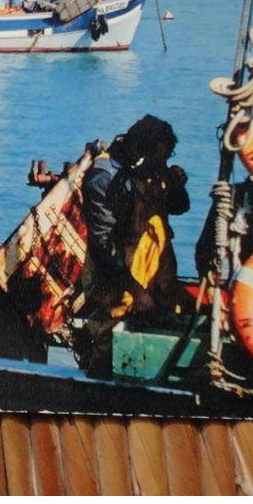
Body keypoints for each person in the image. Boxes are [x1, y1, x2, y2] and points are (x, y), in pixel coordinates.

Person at [72, 114, 191, 377]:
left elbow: (180, 206)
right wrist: (135, 290)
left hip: (155, 275)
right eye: (160, 157)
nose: (163, 163)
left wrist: (176, 185)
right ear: (139, 150)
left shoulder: (151, 170)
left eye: (167, 157)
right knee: (109, 341)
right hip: (117, 280)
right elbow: (103, 245)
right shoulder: (105, 177)